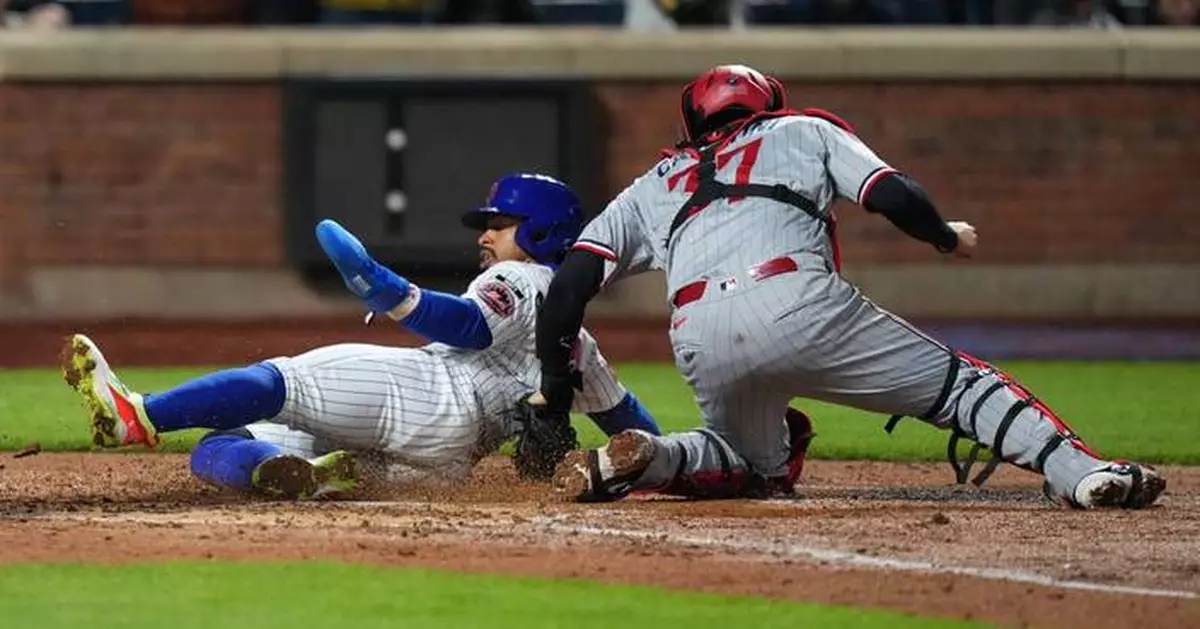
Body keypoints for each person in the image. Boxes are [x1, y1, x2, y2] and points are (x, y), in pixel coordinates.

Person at [534, 64, 1165, 510]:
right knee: (963, 387)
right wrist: (946, 237)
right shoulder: (802, 129)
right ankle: (1078, 474)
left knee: (751, 462)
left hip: (695, 330)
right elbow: (892, 195)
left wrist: (556, 387)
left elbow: (567, 291)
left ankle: (654, 455)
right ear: (765, 105)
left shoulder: (652, 182)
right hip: (799, 301)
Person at [61, 173, 661, 499]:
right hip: (446, 463)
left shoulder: (523, 276)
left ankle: (137, 416)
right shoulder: (583, 346)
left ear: (544, 234)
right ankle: (295, 472)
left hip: (430, 395)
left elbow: (468, 327)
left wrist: (389, 291)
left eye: (500, 225)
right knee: (221, 446)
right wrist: (681, 458)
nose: (486, 237)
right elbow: (629, 423)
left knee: (280, 380)